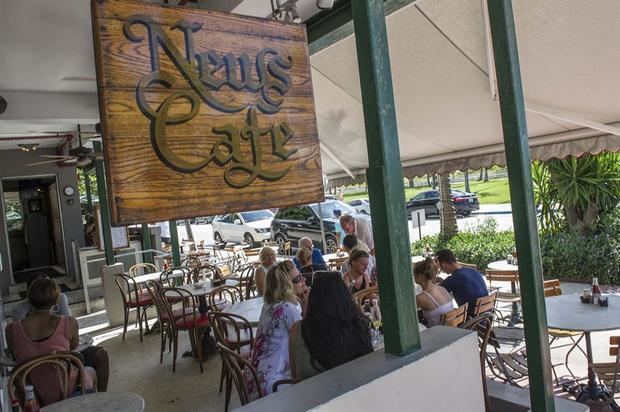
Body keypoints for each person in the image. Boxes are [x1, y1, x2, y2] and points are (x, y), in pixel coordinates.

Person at [11, 274, 110, 392]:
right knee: (90, 369)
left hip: (33, 389)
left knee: (98, 354)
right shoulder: (68, 322)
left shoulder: (11, 328)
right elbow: (72, 346)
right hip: (63, 377)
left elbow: (15, 352)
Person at [289, 272, 373, 380]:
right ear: (345, 297)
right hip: (357, 389)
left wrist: (305, 312)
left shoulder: (298, 329)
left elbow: (295, 375)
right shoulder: (359, 323)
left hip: (313, 394)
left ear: (313, 298)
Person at [248, 261, 303, 397]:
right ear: (286, 285)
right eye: (297, 279)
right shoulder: (287, 309)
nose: (303, 281)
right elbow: (304, 342)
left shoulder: (268, 304)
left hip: (253, 377)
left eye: (301, 276)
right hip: (272, 385)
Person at [435, 249, 488, 317]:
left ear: (443, 265)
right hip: (485, 317)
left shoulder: (454, 278)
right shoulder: (472, 271)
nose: (441, 270)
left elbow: (433, 292)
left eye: (440, 267)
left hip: (471, 321)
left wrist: (434, 270)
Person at [414, 258, 456, 326]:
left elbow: (406, 311)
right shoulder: (442, 288)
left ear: (419, 276)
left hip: (438, 333)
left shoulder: (421, 298)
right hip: (451, 329)